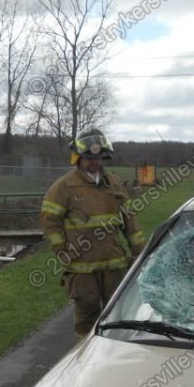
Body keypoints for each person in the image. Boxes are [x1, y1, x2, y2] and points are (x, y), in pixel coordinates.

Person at [40, 127, 146, 338]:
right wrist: (62, 250)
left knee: (117, 316)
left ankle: (115, 353)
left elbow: (130, 220)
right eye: (89, 158)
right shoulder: (64, 187)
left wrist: (139, 252)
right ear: (78, 158)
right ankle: (86, 355)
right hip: (82, 268)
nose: (94, 162)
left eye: (98, 158)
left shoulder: (114, 183)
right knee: (87, 319)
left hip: (114, 263)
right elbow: (50, 221)